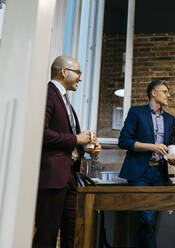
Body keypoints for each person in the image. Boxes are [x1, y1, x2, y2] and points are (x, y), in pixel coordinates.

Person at [33, 56, 101, 247]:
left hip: (69, 177)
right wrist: (76, 139)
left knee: (72, 231)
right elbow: (41, 133)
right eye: (78, 72)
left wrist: (86, 149)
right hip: (52, 178)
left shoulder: (65, 101)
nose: (80, 78)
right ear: (64, 72)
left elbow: (66, 137)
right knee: (47, 233)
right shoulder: (48, 94)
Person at [118, 79, 175, 248]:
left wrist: (173, 156)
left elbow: (172, 144)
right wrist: (151, 147)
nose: (168, 95)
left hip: (160, 174)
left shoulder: (170, 119)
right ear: (154, 93)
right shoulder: (136, 112)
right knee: (146, 218)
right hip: (139, 173)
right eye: (165, 91)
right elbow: (123, 141)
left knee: (152, 220)